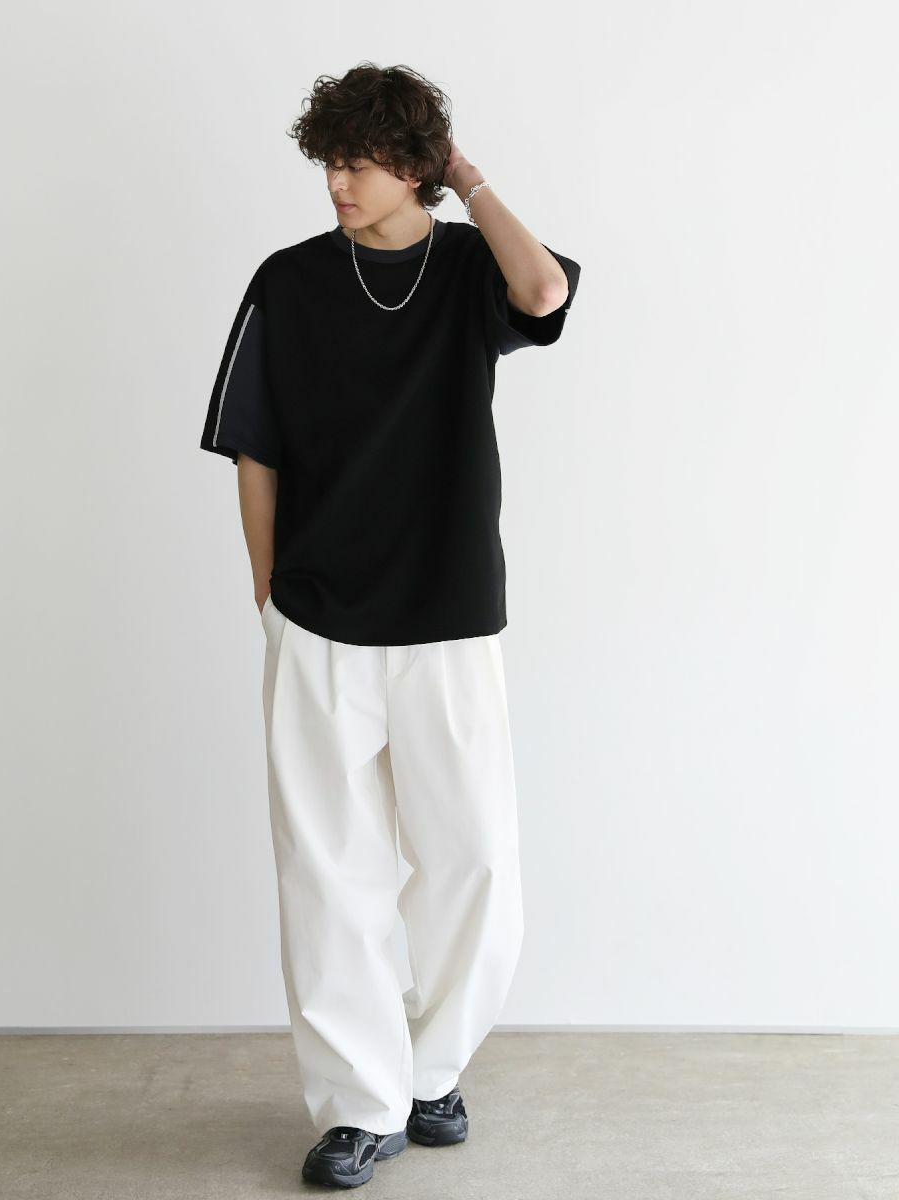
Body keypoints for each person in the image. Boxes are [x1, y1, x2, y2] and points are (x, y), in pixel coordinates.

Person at [200, 62, 581, 1189]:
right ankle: (359, 1106)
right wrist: (267, 590)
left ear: (414, 168)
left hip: (449, 616)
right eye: (329, 161)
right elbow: (253, 445)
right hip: (319, 618)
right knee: (329, 873)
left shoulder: (468, 269)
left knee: (475, 864)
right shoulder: (287, 282)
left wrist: (468, 176)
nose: (338, 183)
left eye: (360, 163)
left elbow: (543, 292)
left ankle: (432, 1070)